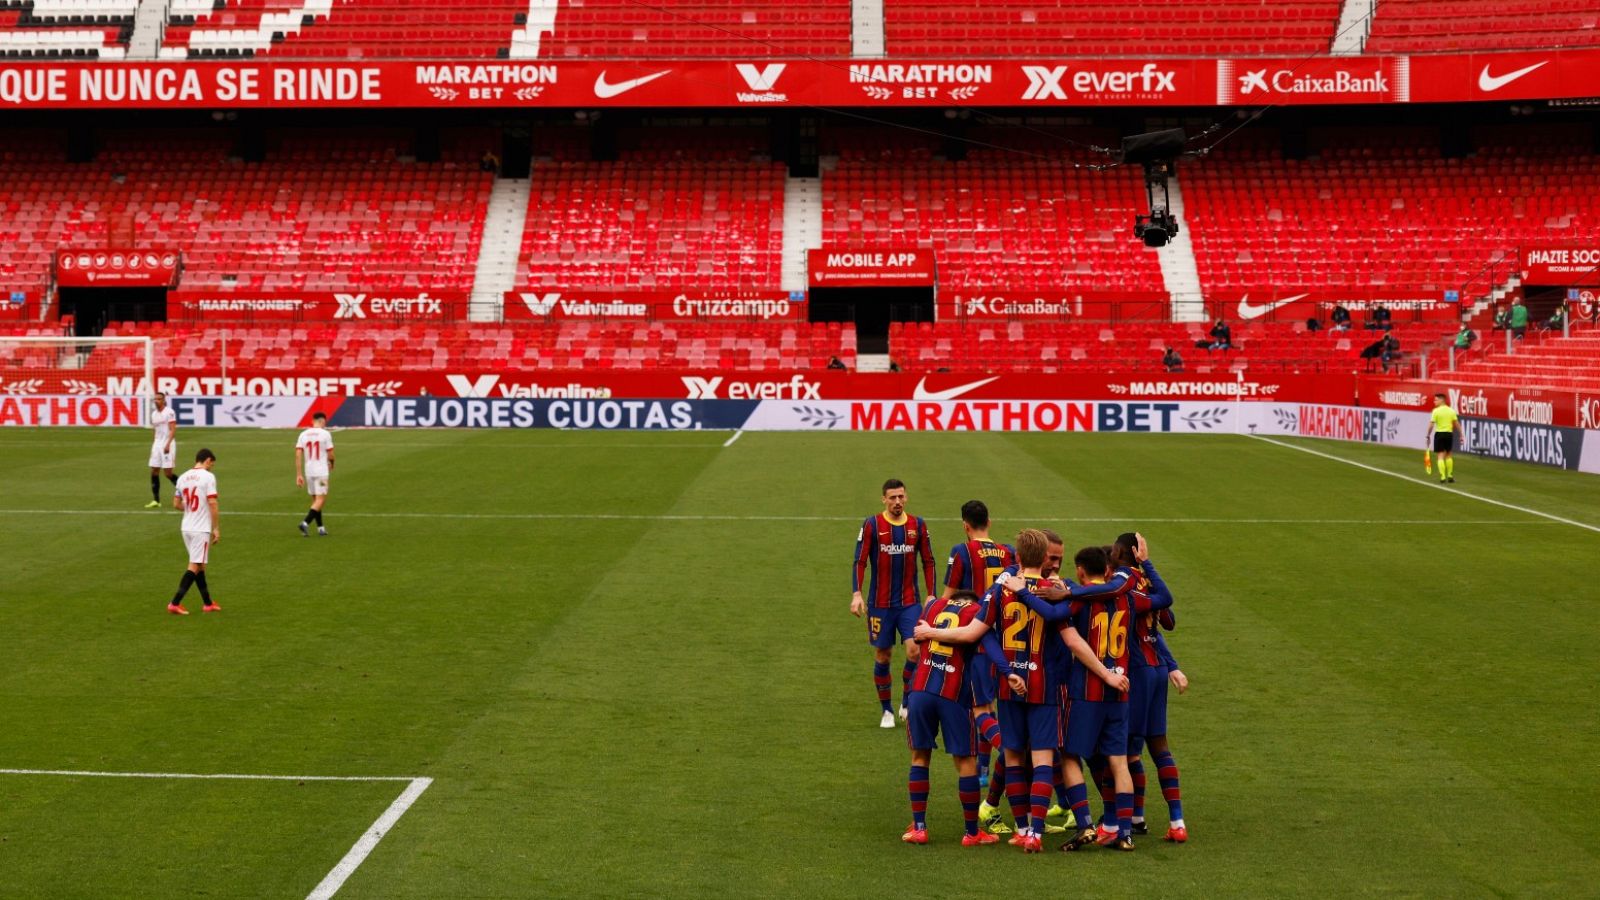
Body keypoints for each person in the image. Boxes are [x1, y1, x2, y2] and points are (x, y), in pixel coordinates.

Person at [1003, 544, 1173, 851]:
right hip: (1120, 690)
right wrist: (1147, 564)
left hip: (1086, 692)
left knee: (1068, 756)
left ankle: (1085, 825)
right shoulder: (1129, 599)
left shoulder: (1079, 603)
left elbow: (1053, 614)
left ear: (1081, 570)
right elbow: (1164, 599)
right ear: (1108, 571)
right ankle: (1123, 832)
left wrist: (1024, 592)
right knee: (1118, 761)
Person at [901, 589, 1008, 846]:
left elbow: (914, 650)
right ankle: (972, 833)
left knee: (919, 756)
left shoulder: (934, 606)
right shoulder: (976, 613)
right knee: (966, 761)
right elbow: (987, 645)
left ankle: (919, 827)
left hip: (920, 691)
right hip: (954, 694)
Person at [1108, 534, 1188, 843]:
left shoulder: (1121, 583)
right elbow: (1166, 622)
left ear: (1119, 552)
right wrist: (1172, 666)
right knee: (1159, 746)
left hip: (1138, 674)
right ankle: (1176, 821)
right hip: (1156, 672)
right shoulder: (1147, 583)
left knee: (1127, 750)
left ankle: (1124, 819)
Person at [940, 500, 1016, 790]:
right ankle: (984, 769)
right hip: (1006, 638)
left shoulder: (961, 551)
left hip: (976, 639)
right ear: (990, 522)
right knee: (989, 704)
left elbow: (948, 597)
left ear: (965, 525)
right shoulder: (1008, 551)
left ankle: (1012, 754)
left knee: (978, 709)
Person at [851, 479, 935, 728]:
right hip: (880, 603)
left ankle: (906, 702)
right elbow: (860, 561)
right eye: (892, 498)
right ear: (884, 500)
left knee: (915, 650)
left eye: (901, 497)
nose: (897, 502)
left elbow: (929, 561)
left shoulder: (917, 525)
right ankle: (886, 710)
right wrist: (857, 594)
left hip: (910, 602)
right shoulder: (872, 525)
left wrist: (932, 594)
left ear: (906, 497)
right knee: (883, 654)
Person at [168, 449, 221, 615]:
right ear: (207, 460)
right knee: (194, 566)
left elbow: (176, 504)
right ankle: (174, 603)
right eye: (211, 464)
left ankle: (207, 603)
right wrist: (216, 528)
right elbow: (212, 503)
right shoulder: (208, 477)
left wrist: (190, 508)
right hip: (200, 529)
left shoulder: (182, 477)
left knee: (200, 565)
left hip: (187, 527)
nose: (211, 467)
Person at [295, 411, 335, 536]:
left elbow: (298, 454)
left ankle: (320, 528)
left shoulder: (303, 434)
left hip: (309, 472)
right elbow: (331, 454)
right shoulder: (325, 434)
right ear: (322, 421)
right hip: (321, 472)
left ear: (313, 420)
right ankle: (305, 523)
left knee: (315, 501)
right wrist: (332, 463)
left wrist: (299, 474)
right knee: (321, 500)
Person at [145, 392, 178, 509]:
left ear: (164, 400)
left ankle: (184, 490)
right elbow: (155, 430)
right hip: (157, 445)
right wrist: (154, 445)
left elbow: (173, 429)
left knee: (168, 473)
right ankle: (156, 500)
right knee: (154, 471)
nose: (156, 401)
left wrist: (168, 444)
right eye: (155, 399)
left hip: (167, 444)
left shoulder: (169, 412)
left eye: (159, 399)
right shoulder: (154, 414)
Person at [1426, 391, 1461, 484]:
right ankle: (1450, 476)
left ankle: (1442, 476)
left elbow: (1431, 424)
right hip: (1449, 434)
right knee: (1449, 454)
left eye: (1436, 400)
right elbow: (1456, 423)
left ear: (1442, 400)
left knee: (1440, 455)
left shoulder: (1436, 411)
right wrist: (1461, 435)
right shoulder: (1451, 411)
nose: (1434, 401)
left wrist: (1428, 435)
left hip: (1440, 434)